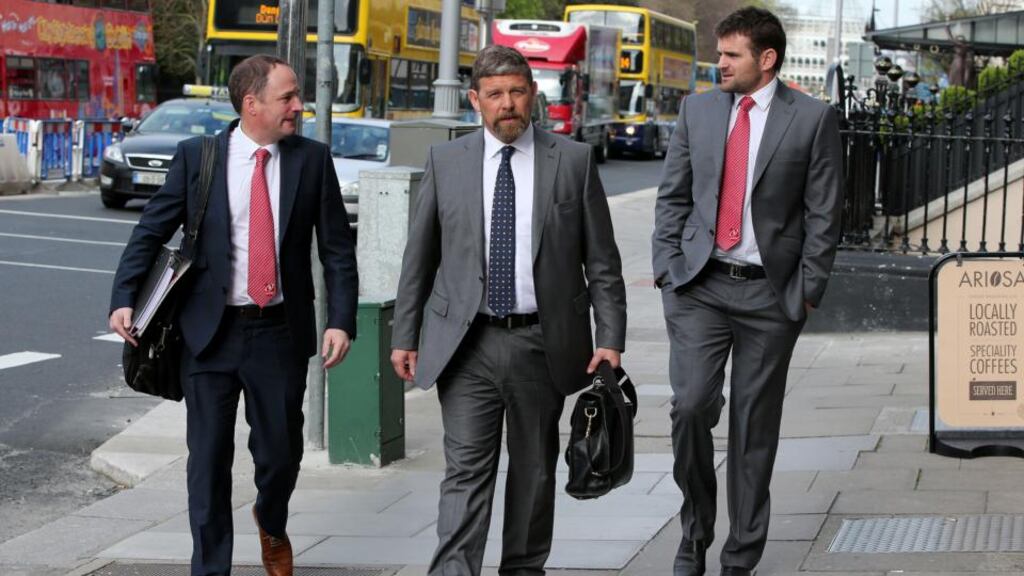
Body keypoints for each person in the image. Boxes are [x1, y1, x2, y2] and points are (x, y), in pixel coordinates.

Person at [109, 54, 358, 576]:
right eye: (288, 97)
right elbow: (150, 231)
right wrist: (124, 297)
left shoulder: (311, 161)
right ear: (252, 104)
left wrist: (341, 319)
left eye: (297, 96)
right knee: (207, 464)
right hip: (210, 335)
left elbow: (336, 249)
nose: (298, 105)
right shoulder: (198, 158)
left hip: (279, 334)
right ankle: (210, 569)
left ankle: (270, 517)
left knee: (280, 456)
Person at [390, 45, 627, 576]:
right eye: (495, 94)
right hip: (465, 343)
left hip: (540, 344)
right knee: (465, 472)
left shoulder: (572, 161)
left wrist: (609, 338)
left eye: (517, 92)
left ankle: (523, 569)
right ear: (475, 100)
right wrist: (404, 334)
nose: (508, 104)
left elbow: (603, 264)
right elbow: (419, 258)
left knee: (534, 472)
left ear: (533, 95)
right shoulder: (445, 162)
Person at [652, 8, 842, 576]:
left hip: (770, 297)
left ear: (767, 59)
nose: (720, 64)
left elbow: (824, 213)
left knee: (753, 430)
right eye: (720, 53)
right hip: (700, 288)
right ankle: (694, 533)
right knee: (689, 408)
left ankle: (740, 555)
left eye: (731, 55)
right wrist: (667, 267)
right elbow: (674, 196)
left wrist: (806, 292)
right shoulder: (698, 109)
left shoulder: (811, 119)